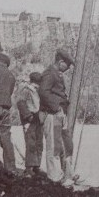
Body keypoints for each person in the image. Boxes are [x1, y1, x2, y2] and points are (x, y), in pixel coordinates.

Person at [38, 48, 76, 185]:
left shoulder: (56, 74)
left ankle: (67, 174)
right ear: (61, 62)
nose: (68, 68)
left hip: (60, 114)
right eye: (67, 65)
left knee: (65, 144)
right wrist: (56, 107)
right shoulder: (49, 74)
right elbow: (43, 92)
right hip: (53, 114)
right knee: (54, 146)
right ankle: (55, 177)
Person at [17, 72, 43, 176]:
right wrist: (28, 116)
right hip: (30, 119)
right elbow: (21, 104)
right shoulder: (26, 90)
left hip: (38, 119)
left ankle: (37, 165)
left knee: (39, 143)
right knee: (31, 143)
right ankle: (29, 167)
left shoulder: (38, 91)